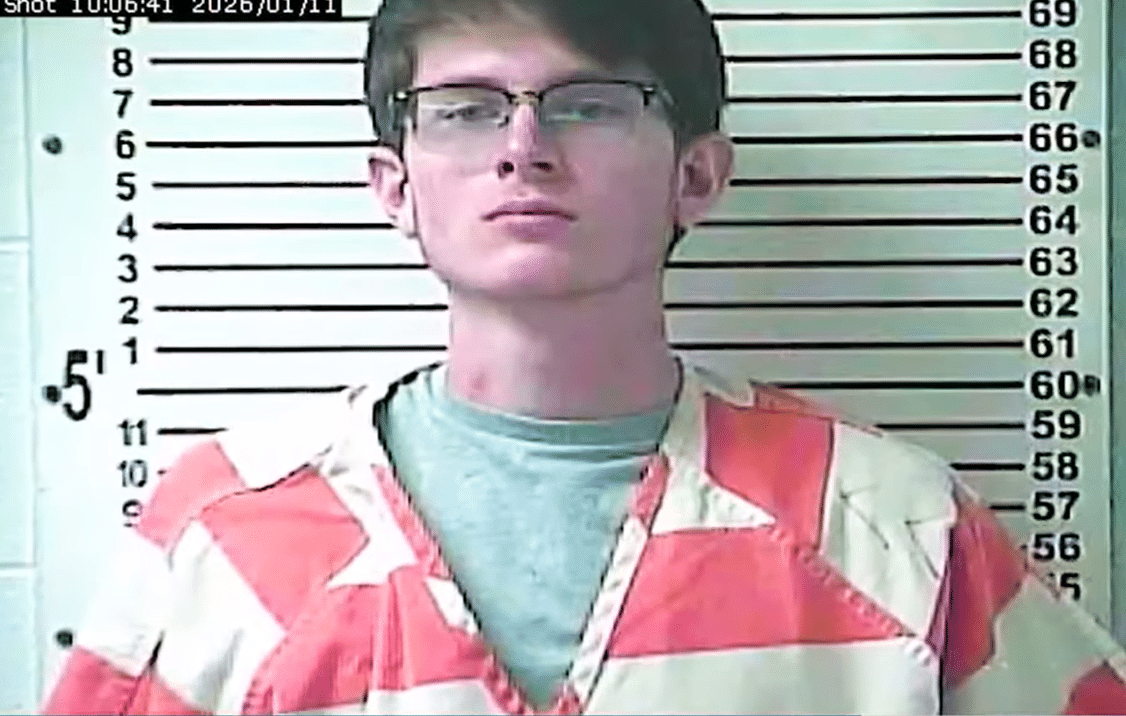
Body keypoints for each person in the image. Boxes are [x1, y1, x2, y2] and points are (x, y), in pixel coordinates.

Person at [43, 0, 1126, 713]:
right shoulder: (220, 528)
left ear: (696, 178)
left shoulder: (897, 524)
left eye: (590, 104)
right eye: (465, 110)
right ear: (395, 187)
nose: (523, 147)